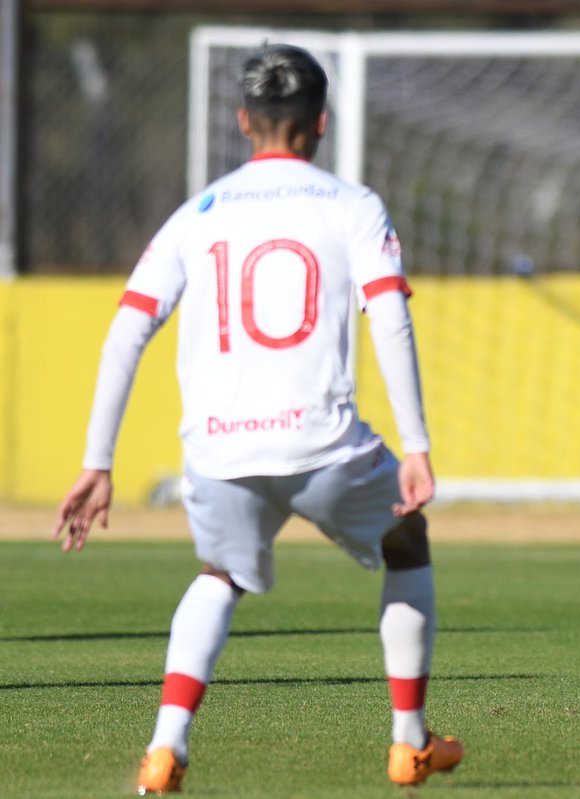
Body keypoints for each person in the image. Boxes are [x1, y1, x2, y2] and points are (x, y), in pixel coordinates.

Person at [52, 44, 463, 792]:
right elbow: (389, 317)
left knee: (220, 574)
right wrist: (415, 444)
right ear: (322, 122)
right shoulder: (351, 205)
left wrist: (97, 461)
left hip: (218, 454)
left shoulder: (196, 214)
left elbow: (126, 331)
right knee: (407, 539)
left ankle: (165, 747)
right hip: (325, 447)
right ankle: (409, 741)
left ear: (243, 121)